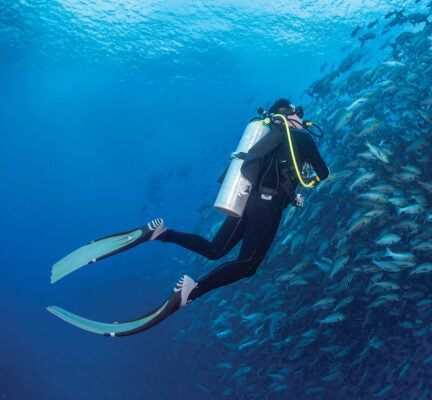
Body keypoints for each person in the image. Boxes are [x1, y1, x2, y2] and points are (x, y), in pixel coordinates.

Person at [47, 98, 329, 336]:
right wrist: (304, 185)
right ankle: (191, 291)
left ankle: (159, 233)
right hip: (266, 207)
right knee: (247, 265)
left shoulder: (268, 138)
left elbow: (272, 173)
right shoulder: (300, 138)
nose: (302, 118)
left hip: (247, 202)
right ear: (289, 115)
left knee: (215, 249)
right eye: (298, 113)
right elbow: (322, 173)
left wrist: (292, 194)